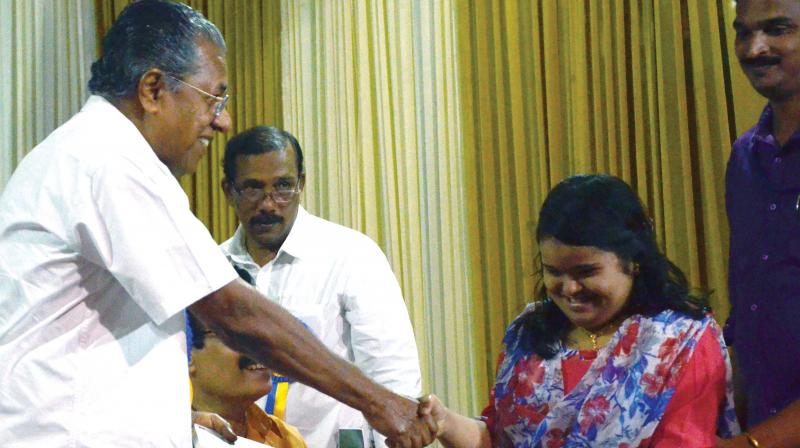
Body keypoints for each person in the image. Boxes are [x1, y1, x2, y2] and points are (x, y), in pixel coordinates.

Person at [0, 1, 434, 447]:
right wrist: (380, 403)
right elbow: (231, 312)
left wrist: (176, 417)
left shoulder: (86, 152)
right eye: (214, 98)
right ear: (153, 89)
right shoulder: (109, 160)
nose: (224, 121)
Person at [418, 174, 740, 447]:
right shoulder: (527, 335)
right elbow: (497, 438)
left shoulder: (678, 343)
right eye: (554, 272)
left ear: (634, 260)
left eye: (586, 273)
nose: (569, 289)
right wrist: (442, 422)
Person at [218, 125, 422, 448]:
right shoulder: (213, 271)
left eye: (283, 186)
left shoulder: (351, 256)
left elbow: (393, 378)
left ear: (301, 183)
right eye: (253, 189)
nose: (269, 204)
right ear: (229, 191)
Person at [718, 1, 800, 447]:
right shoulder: (746, 159)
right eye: (742, 32)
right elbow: (750, 311)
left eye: (777, 29)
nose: (755, 48)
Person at [187, 308, 306, 447]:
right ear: (189, 354)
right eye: (238, 335)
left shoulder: (288, 439)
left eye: (263, 334)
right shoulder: (164, 437)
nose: (260, 347)